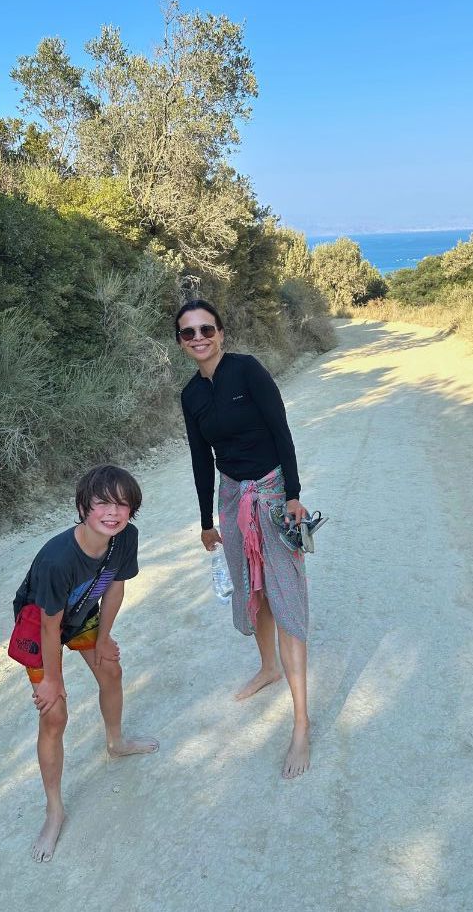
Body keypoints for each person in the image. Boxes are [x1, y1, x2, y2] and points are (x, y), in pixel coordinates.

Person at [177, 299, 312, 779]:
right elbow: (199, 460)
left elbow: (281, 430)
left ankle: (300, 722)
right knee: (253, 589)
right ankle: (267, 667)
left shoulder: (247, 371)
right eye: (189, 333)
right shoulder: (191, 396)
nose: (199, 338)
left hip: (272, 492)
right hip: (232, 496)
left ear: (221, 332)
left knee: (285, 593)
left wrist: (293, 495)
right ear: (181, 342)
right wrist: (205, 519)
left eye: (206, 329)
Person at [12, 464, 159, 862]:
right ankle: (54, 809)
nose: (113, 512)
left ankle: (115, 742)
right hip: (40, 624)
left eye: (122, 504)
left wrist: (105, 637)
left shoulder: (125, 537)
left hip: (81, 614)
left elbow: (114, 587)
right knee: (54, 714)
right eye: (102, 503)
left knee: (111, 669)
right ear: (83, 506)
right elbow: (48, 624)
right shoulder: (57, 560)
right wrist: (52, 682)